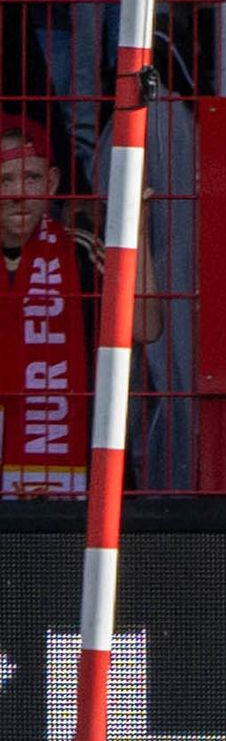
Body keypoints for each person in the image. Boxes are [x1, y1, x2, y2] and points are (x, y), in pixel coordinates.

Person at [0, 122, 88, 497]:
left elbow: (147, 330)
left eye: (31, 178)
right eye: (4, 180)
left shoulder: (80, 252)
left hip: (58, 450)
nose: (19, 194)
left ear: (51, 184)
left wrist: (136, 231)